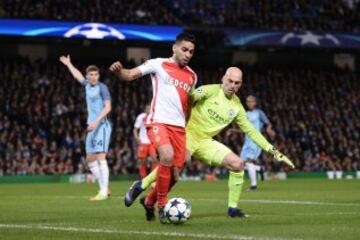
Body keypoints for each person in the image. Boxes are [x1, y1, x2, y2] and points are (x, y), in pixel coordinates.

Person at [124, 67, 295, 219]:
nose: (233, 85)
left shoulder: (237, 107)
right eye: (230, 81)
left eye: (237, 83)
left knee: (237, 164)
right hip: (187, 133)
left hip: (206, 142)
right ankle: (142, 185)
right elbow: (188, 97)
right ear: (223, 78)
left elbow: (251, 131)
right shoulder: (210, 90)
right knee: (179, 165)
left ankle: (232, 209)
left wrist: (274, 151)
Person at [109, 32, 197, 223]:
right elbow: (130, 74)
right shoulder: (158, 64)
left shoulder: (192, 76)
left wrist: (186, 131)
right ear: (174, 48)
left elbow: (188, 107)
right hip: (158, 122)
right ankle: (163, 205)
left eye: (191, 51)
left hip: (179, 129)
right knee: (166, 155)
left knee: (174, 178)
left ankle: (149, 201)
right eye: (184, 49)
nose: (188, 54)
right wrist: (119, 72)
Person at [60, 55, 112, 201]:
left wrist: (96, 121)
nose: (94, 77)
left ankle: (102, 192)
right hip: (91, 127)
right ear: (87, 76)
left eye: (96, 74)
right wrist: (69, 64)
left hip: (101, 125)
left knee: (101, 157)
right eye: (91, 75)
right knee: (90, 159)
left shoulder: (102, 88)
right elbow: (77, 76)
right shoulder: (87, 85)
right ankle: (104, 187)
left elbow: (108, 107)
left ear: (99, 75)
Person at [228, 95, 275, 190]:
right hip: (247, 142)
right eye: (248, 101)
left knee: (249, 162)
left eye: (251, 101)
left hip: (256, 141)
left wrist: (269, 129)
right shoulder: (245, 114)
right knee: (241, 164)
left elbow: (268, 123)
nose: (250, 103)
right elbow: (244, 129)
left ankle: (254, 185)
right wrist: (233, 130)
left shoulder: (259, 113)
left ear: (255, 102)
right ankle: (259, 169)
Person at [133, 103, 157, 178]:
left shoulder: (154, 117)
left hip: (151, 142)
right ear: (145, 110)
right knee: (142, 161)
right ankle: (143, 177)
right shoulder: (141, 117)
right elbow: (135, 129)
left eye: (149, 109)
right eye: (147, 109)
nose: (148, 110)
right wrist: (137, 138)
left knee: (155, 159)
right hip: (143, 142)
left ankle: (152, 177)